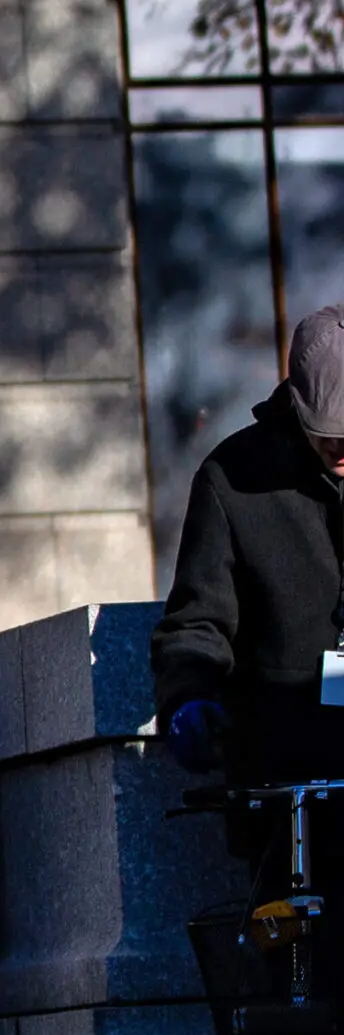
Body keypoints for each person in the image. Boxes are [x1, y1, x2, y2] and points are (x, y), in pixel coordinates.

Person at [154, 303, 344, 789]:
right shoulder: (234, 479)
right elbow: (198, 624)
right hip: (288, 779)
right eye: (328, 436)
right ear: (297, 408)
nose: (341, 450)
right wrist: (187, 701)